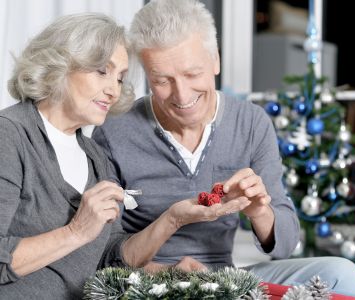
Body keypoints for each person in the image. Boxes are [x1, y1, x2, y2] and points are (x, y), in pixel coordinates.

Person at [92, 0, 355, 296]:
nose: (181, 95)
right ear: (146, 74)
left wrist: (260, 210)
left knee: (341, 274)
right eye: (162, 80)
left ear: (215, 61)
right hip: (146, 283)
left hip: (227, 280)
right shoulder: (113, 130)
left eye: (193, 74)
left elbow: (285, 245)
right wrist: (168, 250)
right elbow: (104, 255)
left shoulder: (250, 122)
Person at [0, 13, 249, 299]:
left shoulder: (94, 157)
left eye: (119, 78)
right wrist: (76, 231)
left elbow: (110, 260)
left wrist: (172, 227)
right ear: (59, 66)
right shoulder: (9, 135)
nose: (113, 90)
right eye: (102, 71)